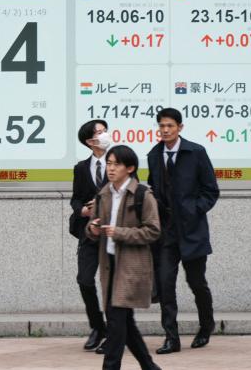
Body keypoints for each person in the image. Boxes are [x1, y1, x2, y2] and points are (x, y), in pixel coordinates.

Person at [147, 108, 219, 354]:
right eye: (161, 126)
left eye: (169, 126)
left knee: (196, 282)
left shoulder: (196, 152)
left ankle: (206, 326)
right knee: (165, 284)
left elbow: (211, 190)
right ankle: (171, 338)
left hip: (192, 231)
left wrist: (193, 210)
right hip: (166, 233)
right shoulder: (154, 155)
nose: (165, 130)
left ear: (180, 127)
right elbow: (154, 189)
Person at [86, 145, 161, 370]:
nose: (111, 168)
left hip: (131, 266)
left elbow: (153, 230)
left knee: (117, 323)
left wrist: (120, 233)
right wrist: (93, 229)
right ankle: (149, 366)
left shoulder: (142, 195)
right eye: (109, 163)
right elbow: (91, 226)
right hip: (109, 265)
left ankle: (110, 367)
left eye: (116, 164)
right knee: (124, 322)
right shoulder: (104, 193)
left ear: (130, 168)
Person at [70, 119, 112, 353]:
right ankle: (98, 327)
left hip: (114, 233)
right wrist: (82, 210)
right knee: (84, 280)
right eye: (99, 132)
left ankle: (114, 333)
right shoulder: (80, 168)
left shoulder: (119, 161)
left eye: (106, 130)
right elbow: (76, 198)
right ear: (90, 141)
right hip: (89, 233)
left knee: (112, 285)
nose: (105, 135)